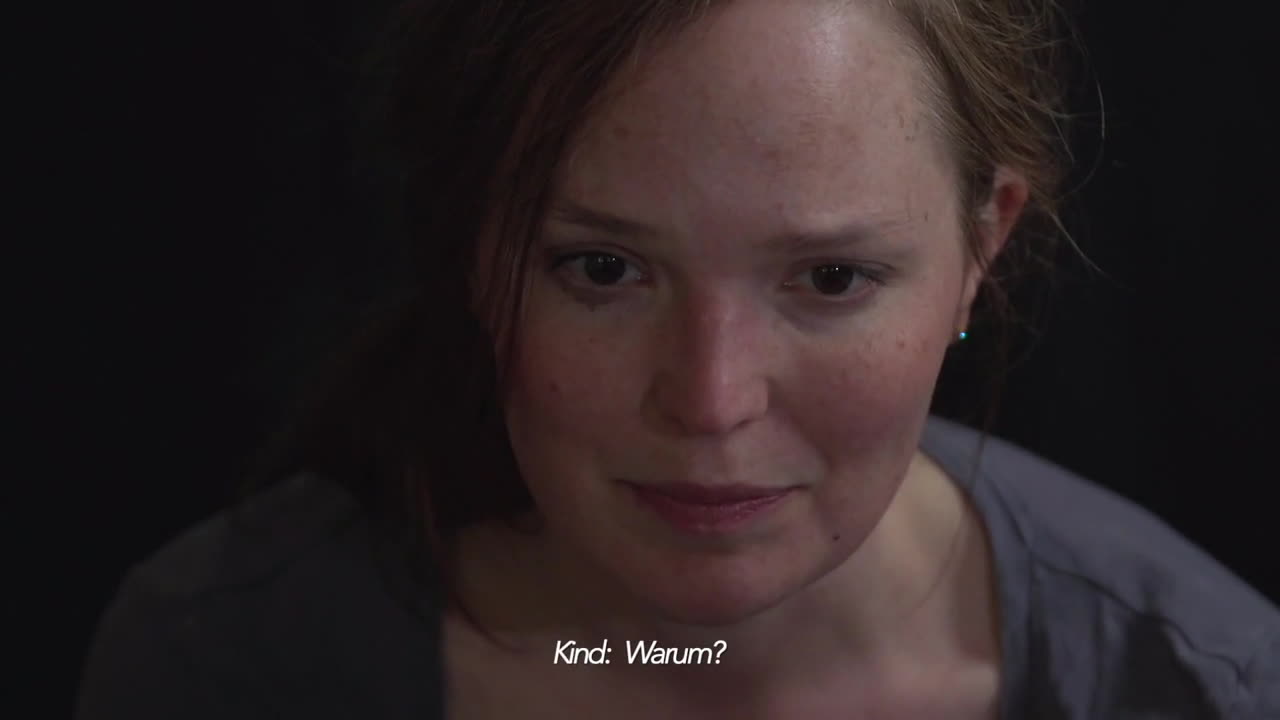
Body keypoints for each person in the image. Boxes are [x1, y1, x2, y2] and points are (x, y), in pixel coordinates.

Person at [77, 0, 1279, 718]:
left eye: (828, 278)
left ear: (980, 250)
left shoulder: (1202, 689)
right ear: (477, 250)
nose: (709, 400)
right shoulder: (226, 663)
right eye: (602, 269)